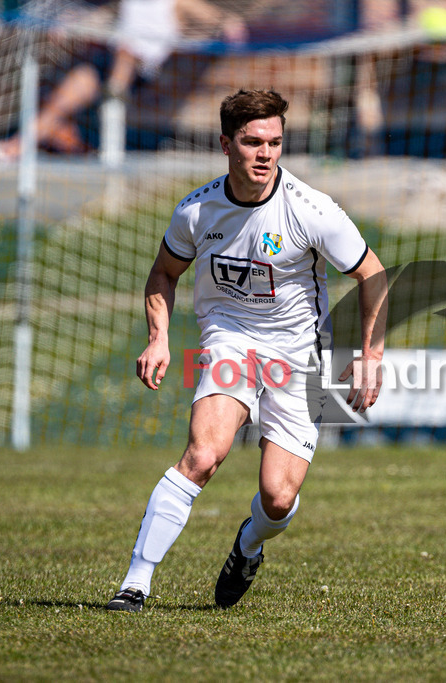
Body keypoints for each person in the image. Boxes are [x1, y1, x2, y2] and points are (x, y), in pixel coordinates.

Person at [105, 88, 388, 612]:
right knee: (203, 455)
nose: (265, 154)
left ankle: (249, 544)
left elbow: (373, 275)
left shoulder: (312, 211)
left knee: (278, 498)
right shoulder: (196, 211)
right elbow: (164, 273)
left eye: (274, 143)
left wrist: (371, 354)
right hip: (230, 338)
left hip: (299, 354)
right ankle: (135, 583)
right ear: (225, 144)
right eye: (253, 142)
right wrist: (158, 336)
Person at [0, 0, 247, 162]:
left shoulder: (176, 3)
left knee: (127, 51)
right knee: (59, 103)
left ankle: (113, 103)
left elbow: (225, 22)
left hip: (139, 69)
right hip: (106, 62)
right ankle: (14, 148)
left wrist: (228, 29)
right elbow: (100, 19)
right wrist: (68, 26)